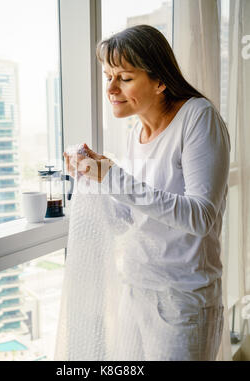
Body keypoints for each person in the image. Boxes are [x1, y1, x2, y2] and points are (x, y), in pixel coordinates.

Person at [63, 24, 230, 361]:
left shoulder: (198, 118)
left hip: (183, 302)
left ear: (159, 80)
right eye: (108, 75)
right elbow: (128, 217)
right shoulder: (137, 132)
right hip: (137, 289)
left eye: (124, 77)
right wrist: (92, 181)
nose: (110, 88)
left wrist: (112, 176)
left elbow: (201, 217)